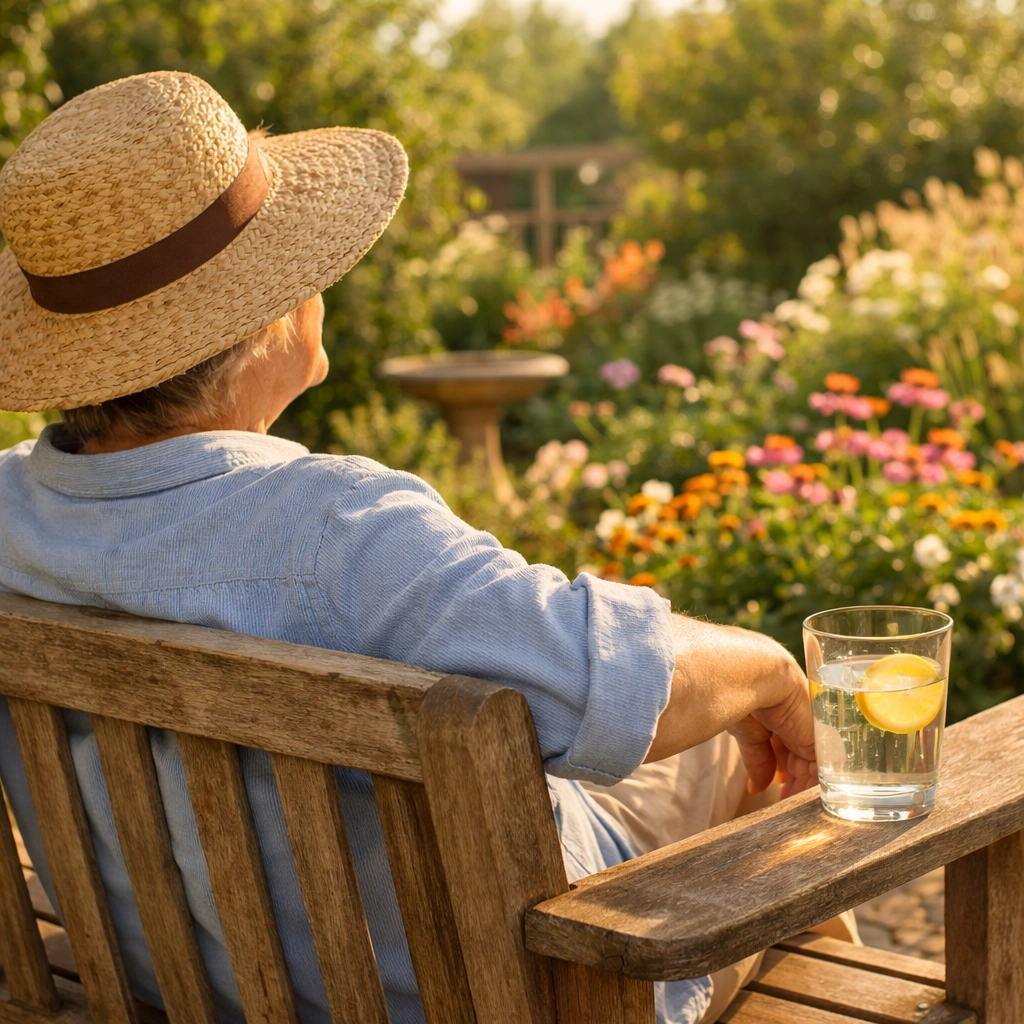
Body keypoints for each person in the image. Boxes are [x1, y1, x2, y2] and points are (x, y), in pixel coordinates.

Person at [0, 71, 839, 1024]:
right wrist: (773, 671)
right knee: (744, 740)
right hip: (485, 998)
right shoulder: (339, 532)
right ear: (265, 316)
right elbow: (620, 685)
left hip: (163, 978)